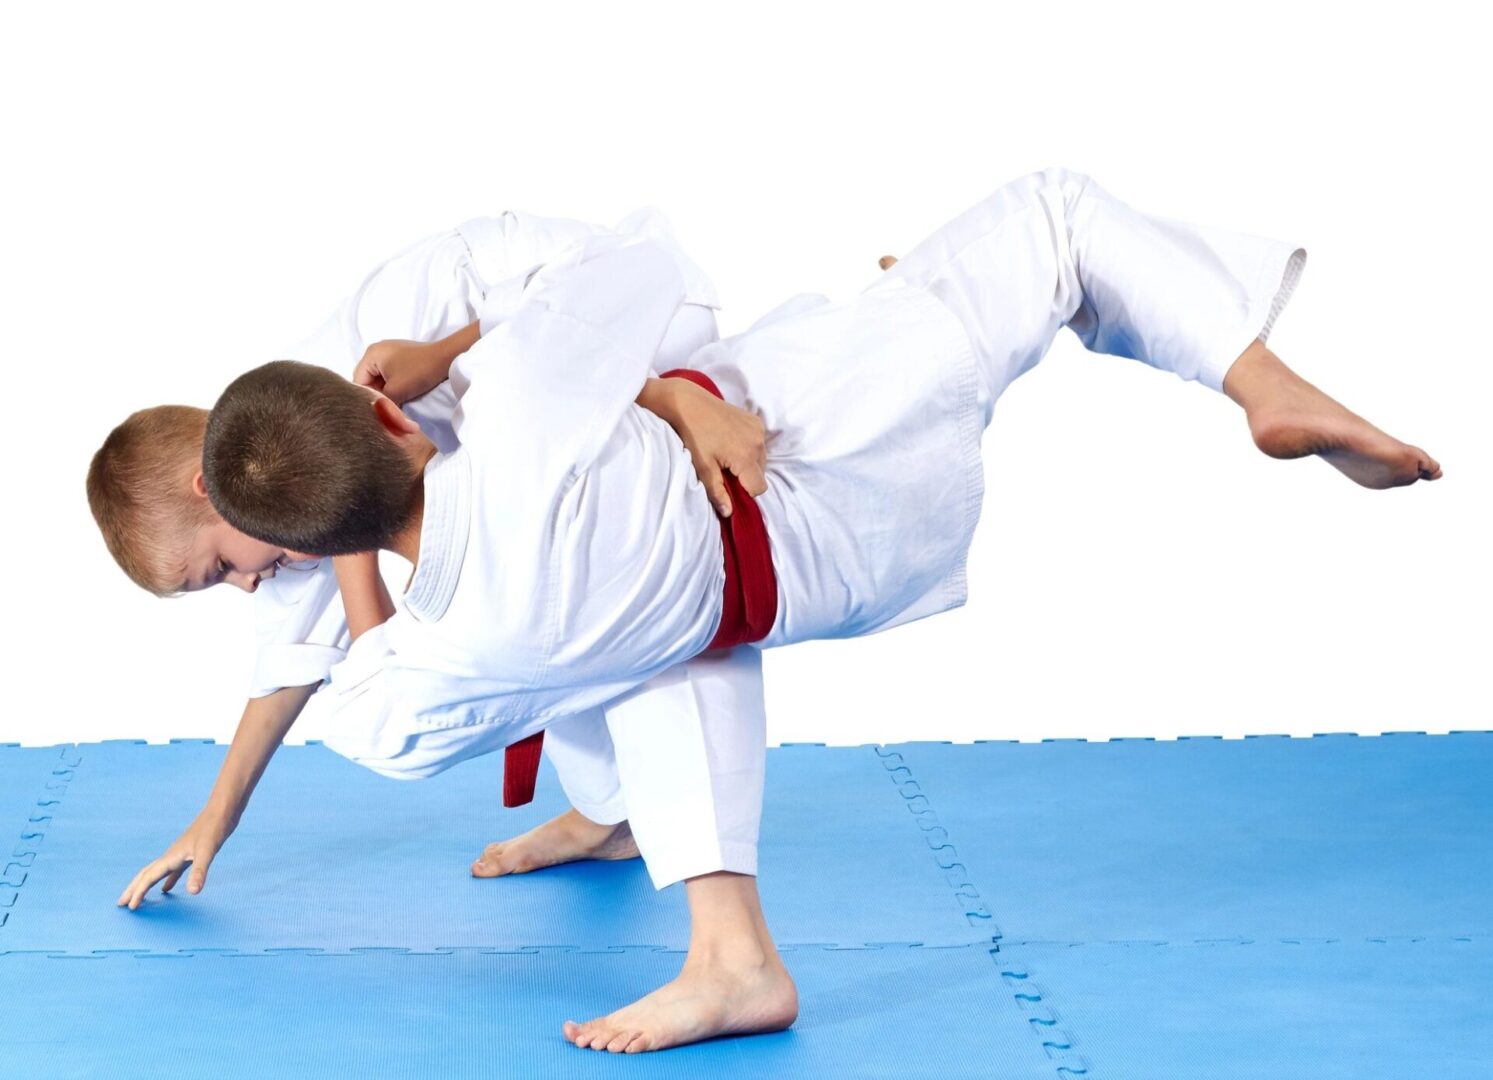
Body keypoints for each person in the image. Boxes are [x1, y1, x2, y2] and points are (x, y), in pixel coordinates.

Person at [200, 166, 1441, 1053]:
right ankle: (1261, 384)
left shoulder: (444, 652)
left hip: (798, 587)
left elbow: (380, 723)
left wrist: (356, 552)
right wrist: (445, 356)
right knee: (1052, 224)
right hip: (811, 436)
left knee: (629, 658)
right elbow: (636, 267)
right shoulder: (519, 399)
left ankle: (729, 957)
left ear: (315, 549)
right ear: (384, 418)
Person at [86, 208, 778, 927]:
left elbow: (556, 339)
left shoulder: (347, 372)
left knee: (596, 613)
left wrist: (659, 391)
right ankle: (610, 814)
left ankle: (719, 926)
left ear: (210, 490)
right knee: (515, 640)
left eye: (220, 567)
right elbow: (288, 661)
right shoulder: (280, 498)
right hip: (551, 424)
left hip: (633, 323)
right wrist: (213, 821)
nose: (248, 582)